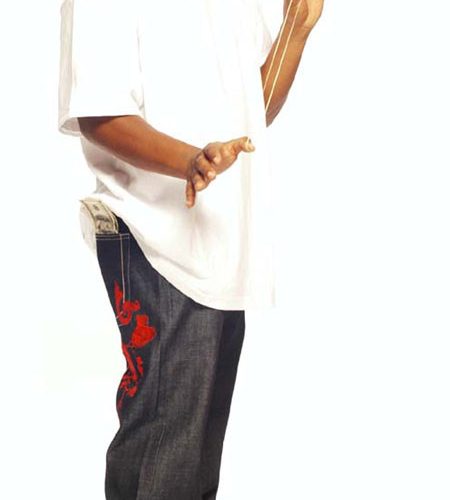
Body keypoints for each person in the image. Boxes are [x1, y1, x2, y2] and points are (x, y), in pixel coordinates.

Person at [57, 0, 323, 498]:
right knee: (165, 448)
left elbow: (252, 108)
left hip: (222, 245)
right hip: (151, 236)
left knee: (194, 459)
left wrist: (296, 29)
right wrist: (188, 160)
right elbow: (98, 112)